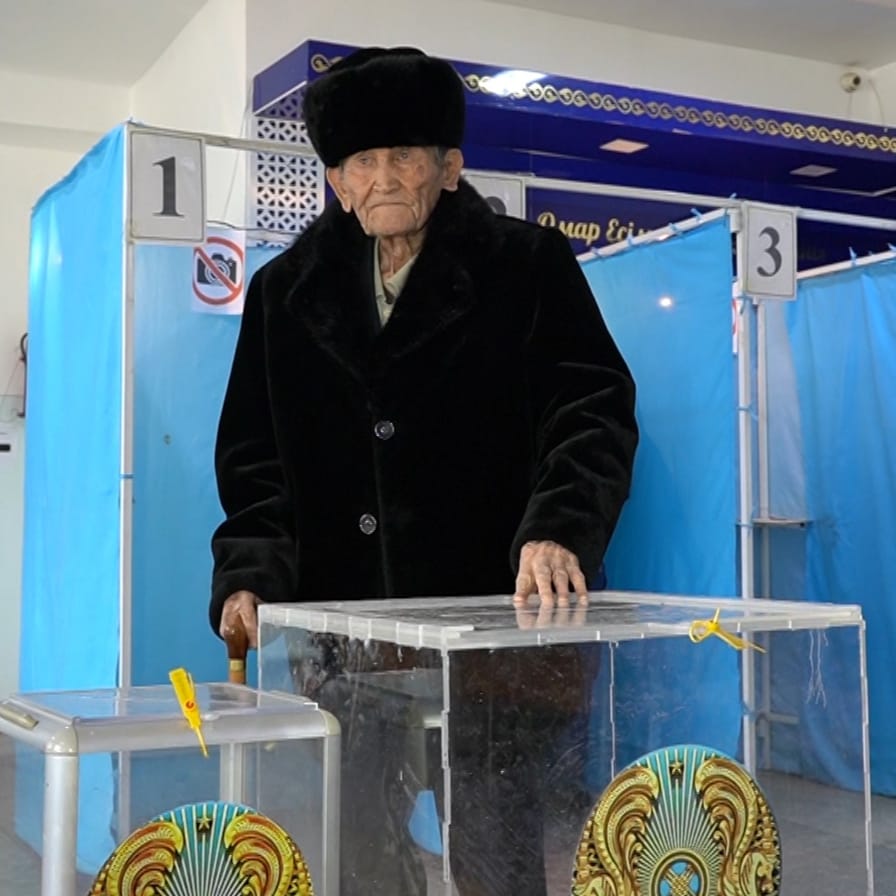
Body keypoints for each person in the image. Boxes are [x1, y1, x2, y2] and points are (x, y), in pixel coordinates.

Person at [209, 46, 638, 896]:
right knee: (358, 849)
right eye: (362, 161)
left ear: (449, 166)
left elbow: (592, 411)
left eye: (403, 155)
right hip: (344, 640)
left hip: (492, 634)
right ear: (337, 183)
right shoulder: (282, 294)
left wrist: (559, 529)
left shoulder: (528, 266)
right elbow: (255, 458)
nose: (383, 178)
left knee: (494, 848)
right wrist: (250, 571)